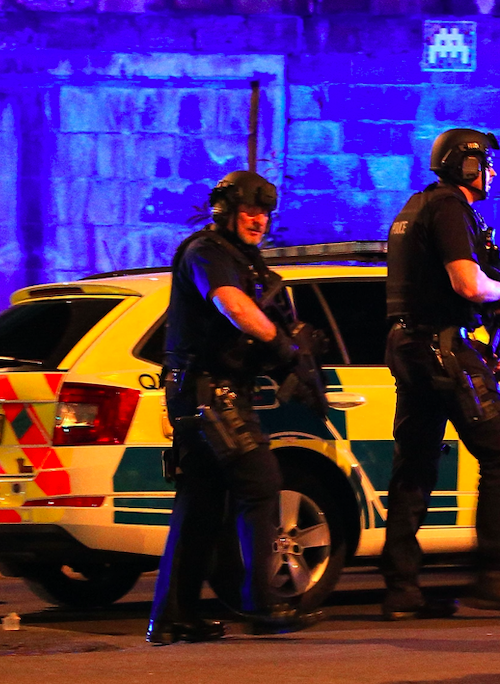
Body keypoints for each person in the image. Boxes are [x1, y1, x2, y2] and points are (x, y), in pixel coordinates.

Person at [147, 170, 321, 643]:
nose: (258, 220)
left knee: (201, 504)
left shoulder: (247, 260)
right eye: (249, 210)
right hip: (207, 390)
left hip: (218, 389)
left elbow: (261, 318)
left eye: (265, 212)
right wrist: (282, 347)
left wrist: (294, 361)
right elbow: (233, 306)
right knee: (260, 481)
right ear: (225, 211)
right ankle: (261, 604)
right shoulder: (207, 252)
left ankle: (172, 618)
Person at [381, 128, 500, 620]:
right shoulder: (450, 207)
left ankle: (401, 588)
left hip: (409, 348)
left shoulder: (415, 206)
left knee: (414, 467)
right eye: (486, 163)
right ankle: (492, 576)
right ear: (466, 165)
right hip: (443, 348)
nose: (492, 172)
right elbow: (466, 281)